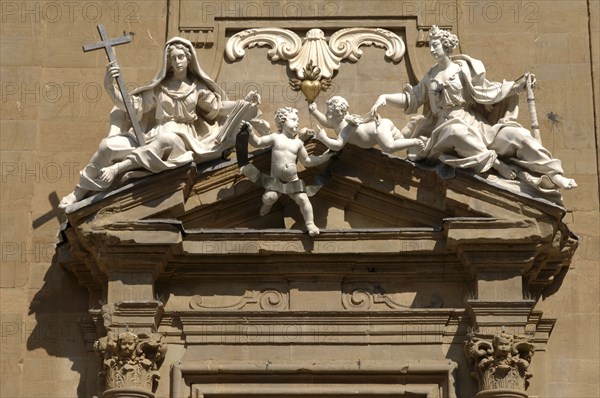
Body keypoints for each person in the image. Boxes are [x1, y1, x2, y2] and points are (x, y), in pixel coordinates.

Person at [60, 37, 259, 208]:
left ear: (188, 58)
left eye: (180, 57)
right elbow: (131, 106)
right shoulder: (159, 88)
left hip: (182, 139)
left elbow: (218, 108)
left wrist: (243, 103)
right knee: (107, 146)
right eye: (173, 58)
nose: (177, 61)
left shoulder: (197, 87)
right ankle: (79, 192)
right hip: (153, 135)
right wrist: (109, 86)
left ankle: (117, 169)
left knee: (165, 139)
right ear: (169, 62)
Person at [370, 25, 576, 190]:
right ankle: (496, 164)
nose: (432, 49)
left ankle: (553, 173)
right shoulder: (430, 77)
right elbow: (411, 99)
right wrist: (385, 97)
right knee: (456, 132)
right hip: (445, 126)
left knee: (515, 135)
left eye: (435, 45)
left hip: (476, 124)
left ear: (446, 46)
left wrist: (516, 87)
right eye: (431, 46)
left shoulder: (463, 69)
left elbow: (486, 92)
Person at [241, 108, 333, 236]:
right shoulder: (275, 138)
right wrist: (250, 131)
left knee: (303, 199)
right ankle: (267, 205)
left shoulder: (298, 143)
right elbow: (257, 142)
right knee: (269, 197)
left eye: (298, 121)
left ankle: (310, 223)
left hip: (292, 180)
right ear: (282, 121)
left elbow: (307, 161)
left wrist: (324, 157)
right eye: (294, 120)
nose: (297, 123)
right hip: (275, 181)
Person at [308, 96, 425, 154]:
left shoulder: (345, 127)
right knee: (402, 139)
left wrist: (324, 138)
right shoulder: (337, 122)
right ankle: (413, 122)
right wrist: (314, 112)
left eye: (329, 112)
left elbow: (338, 145)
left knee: (389, 147)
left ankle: (414, 141)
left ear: (338, 115)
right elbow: (327, 123)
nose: (327, 114)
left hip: (377, 131)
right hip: (382, 125)